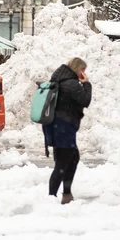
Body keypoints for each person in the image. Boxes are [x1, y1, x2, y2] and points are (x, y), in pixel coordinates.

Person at [43, 57, 92, 204]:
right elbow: (85, 100)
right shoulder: (71, 83)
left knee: (71, 158)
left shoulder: (59, 78)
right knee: (63, 163)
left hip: (56, 126)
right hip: (64, 127)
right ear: (79, 69)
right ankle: (52, 197)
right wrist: (87, 84)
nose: (84, 73)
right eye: (83, 70)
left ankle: (66, 193)